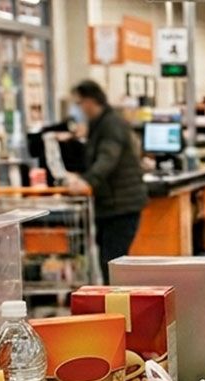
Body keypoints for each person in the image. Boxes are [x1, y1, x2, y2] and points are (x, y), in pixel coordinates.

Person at [65, 80, 148, 282]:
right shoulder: (101, 124)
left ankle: (118, 300)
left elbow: (107, 158)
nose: (79, 108)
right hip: (110, 205)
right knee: (109, 262)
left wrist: (87, 181)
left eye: (79, 103)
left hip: (121, 206)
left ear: (90, 101)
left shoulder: (111, 125)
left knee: (112, 263)